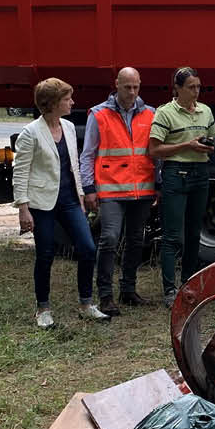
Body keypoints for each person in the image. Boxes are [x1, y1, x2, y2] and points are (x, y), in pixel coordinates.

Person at [13, 77, 109, 330]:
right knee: (45, 255)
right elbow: (20, 173)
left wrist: (80, 195)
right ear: (53, 103)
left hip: (68, 200)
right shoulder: (30, 133)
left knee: (88, 248)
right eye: (67, 99)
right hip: (41, 202)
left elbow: (73, 165)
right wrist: (23, 209)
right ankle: (43, 308)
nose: (72, 102)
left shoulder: (67, 126)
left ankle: (86, 304)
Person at [79, 67, 155, 316]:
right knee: (109, 239)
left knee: (136, 240)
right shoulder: (99, 114)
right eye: (127, 87)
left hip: (141, 190)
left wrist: (159, 184)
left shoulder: (150, 114)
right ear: (117, 85)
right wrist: (89, 188)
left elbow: (155, 154)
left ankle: (128, 290)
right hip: (111, 190)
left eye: (136, 87)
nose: (132, 92)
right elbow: (88, 154)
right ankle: (105, 295)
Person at [148, 66, 215, 307]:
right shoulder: (165, 113)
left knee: (193, 233)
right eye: (191, 87)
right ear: (177, 89)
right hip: (175, 174)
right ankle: (169, 290)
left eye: (198, 87)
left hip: (200, 174)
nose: (196, 92)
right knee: (173, 236)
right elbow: (154, 150)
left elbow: (212, 140)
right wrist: (186, 145)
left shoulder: (205, 111)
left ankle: (188, 284)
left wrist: (207, 146)